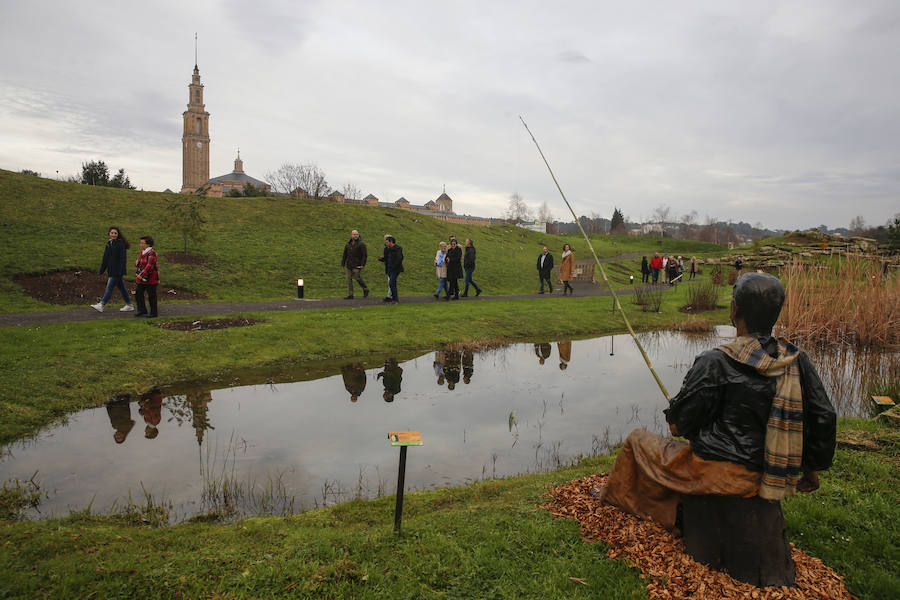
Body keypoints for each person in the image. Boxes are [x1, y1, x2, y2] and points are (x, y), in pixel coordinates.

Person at [595, 272, 836, 531]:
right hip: (772, 472)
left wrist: (676, 414)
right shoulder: (796, 360)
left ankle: (619, 499)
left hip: (718, 473)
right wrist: (810, 468)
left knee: (636, 441)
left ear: (734, 309)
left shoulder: (716, 361)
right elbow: (824, 415)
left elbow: (681, 425)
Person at [92, 226, 135, 313]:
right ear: (109, 234)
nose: (113, 234)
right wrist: (102, 270)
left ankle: (101, 304)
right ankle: (129, 305)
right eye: (112, 233)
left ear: (118, 234)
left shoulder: (120, 244)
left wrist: (121, 270)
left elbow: (123, 258)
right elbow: (105, 258)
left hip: (117, 271)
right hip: (111, 270)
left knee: (109, 287)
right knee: (122, 288)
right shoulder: (109, 243)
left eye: (115, 233)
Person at [134, 235, 159, 318]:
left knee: (151, 295)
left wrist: (141, 275)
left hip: (151, 278)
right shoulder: (142, 252)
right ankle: (142, 309)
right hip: (142, 277)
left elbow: (149, 266)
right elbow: (142, 264)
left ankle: (153, 313)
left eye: (142, 243)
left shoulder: (152, 253)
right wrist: (137, 263)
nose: (140, 244)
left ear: (148, 244)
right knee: (138, 293)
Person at [340, 230, 369, 300]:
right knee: (348, 279)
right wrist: (343, 264)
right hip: (349, 264)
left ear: (358, 235)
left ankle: (365, 288)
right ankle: (350, 295)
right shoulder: (348, 244)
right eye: (354, 234)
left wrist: (363, 264)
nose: (355, 235)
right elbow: (345, 254)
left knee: (357, 277)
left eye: (357, 234)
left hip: (357, 264)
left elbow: (364, 255)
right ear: (351, 235)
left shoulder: (361, 244)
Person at [377, 235, 403, 303]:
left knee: (391, 283)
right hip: (389, 269)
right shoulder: (387, 249)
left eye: (387, 242)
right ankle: (394, 299)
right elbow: (386, 259)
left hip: (395, 269)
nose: (386, 243)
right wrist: (381, 259)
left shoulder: (398, 248)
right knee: (392, 283)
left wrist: (394, 266)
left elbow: (399, 258)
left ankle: (395, 299)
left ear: (391, 242)